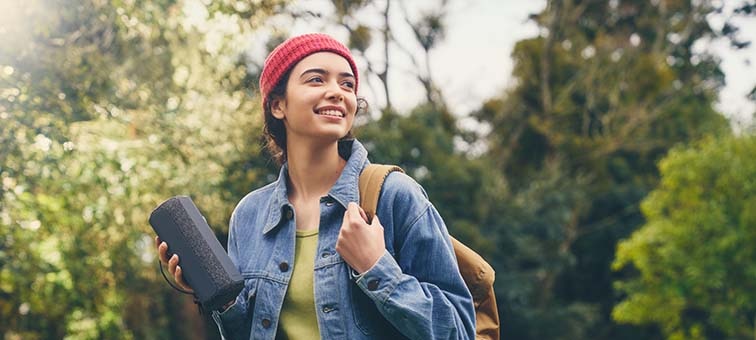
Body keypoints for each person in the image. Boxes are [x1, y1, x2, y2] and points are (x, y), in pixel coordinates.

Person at [156, 33, 475, 340]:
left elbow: (459, 331)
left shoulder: (395, 196)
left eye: (347, 84)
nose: (338, 92)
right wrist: (218, 297)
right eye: (316, 79)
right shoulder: (249, 216)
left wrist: (376, 268)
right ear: (278, 105)